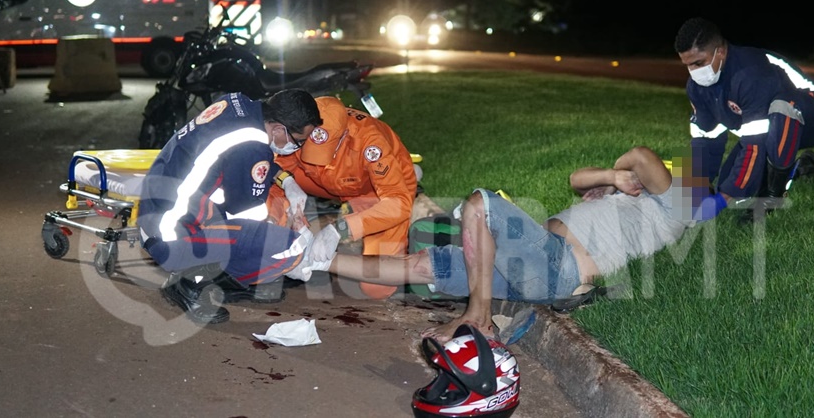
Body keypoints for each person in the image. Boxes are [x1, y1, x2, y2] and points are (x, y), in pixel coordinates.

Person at [321, 146, 701, 342]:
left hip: (561, 269)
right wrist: (611, 179)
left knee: (479, 204)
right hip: (526, 268)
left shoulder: (676, 212)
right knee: (420, 264)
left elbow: (641, 155)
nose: (670, 175)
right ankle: (314, 258)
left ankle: (478, 315)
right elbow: (576, 179)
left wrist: (620, 176)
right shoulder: (631, 197)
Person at [137, 89, 337, 324]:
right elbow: (248, 216)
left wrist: (285, 180)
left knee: (264, 224)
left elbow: (235, 156)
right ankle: (189, 282)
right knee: (285, 245)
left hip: (156, 212)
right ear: (278, 129)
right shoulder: (254, 147)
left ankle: (226, 279)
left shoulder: (237, 104)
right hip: (170, 238)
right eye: (298, 141)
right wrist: (292, 247)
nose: (298, 147)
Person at [673, 17, 814, 217]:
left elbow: (755, 145)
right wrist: (695, 186)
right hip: (775, 128)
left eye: (699, 63)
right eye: (688, 65)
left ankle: (772, 197)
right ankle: (801, 166)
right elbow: (705, 137)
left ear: (721, 52)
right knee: (729, 186)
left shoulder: (751, 73)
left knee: (782, 107)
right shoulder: (696, 87)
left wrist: (722, 200)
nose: (693, 71)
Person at [269, 95, 418, 299]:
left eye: (323, 152)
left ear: (343, 137)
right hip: (323, 181)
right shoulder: (300, 128)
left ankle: (411, 181)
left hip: (375, 191)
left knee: (376, 287)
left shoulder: (372, 143)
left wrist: (341, 228)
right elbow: (275, 171)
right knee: (270, 183)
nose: (318, 160)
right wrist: (280, 218)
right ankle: (277, 246)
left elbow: (398, 204)